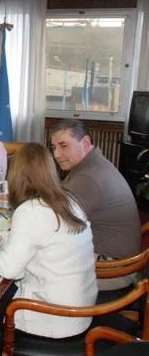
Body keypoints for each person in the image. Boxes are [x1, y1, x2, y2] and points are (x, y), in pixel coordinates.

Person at [0, 143, 98, 356]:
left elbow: (10, 270)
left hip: (54, 318)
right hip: (80, 309)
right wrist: (1, 240)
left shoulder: (30, 211)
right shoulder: (68, 200)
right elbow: (42, 240)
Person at [50, 119, 141, 290]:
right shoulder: (91, 164)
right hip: (115, 261)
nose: (56, 155)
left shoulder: (89, 176)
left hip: (112, 269)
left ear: (85, 142)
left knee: (36, 266)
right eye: (54, 147)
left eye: (64, 146)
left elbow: (51, 219)